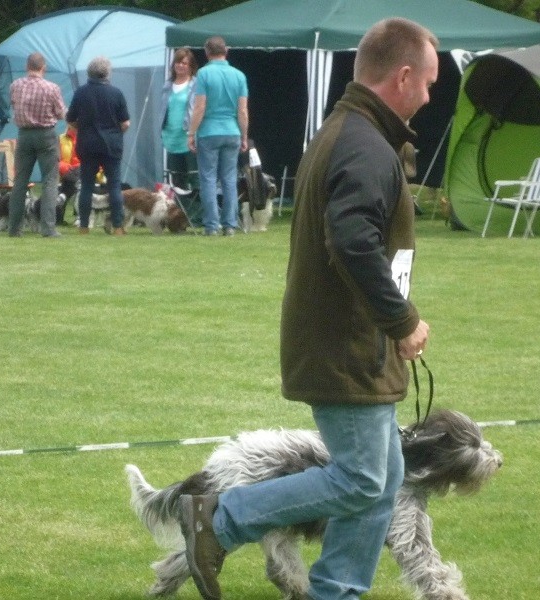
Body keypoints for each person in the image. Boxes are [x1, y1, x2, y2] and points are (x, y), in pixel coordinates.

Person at [178, 17, 436, 600]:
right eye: (427, 82)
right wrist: (402, 319)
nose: (429, 95)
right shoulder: (365, 145)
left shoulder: (349, 131)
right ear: (401, 77)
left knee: (384, 480)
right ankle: (218, 519)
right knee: (364, 479)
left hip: (349, 343)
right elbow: (352, 241)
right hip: (346, 347)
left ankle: (337, 592)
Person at [187, 36, 248, 236]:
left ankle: (212, 226)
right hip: (232, 131)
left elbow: (200, 107)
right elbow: (243, 111)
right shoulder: (239, 75)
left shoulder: (203, 74)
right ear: (226, 50)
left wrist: (191, 133)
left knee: (208, 179)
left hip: (209, 132)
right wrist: (244, 136)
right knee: (230, 179)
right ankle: (230, 224)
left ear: (207, 52)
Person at [66, 56, 130, 235]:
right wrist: (116, 133)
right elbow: (125, 123)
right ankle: (118, 227)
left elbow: (70, 118)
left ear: (89, 73)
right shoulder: (116, 93)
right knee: (114, 186)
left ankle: (84, 226)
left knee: (86, 185)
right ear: (107, 73)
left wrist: (82, 129)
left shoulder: (81, 93)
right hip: (111, 145)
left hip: (87, 144)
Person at [7, 52, 66, 237]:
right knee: (50, 180)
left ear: (27, 66)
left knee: (20, 181)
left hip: (24, 135)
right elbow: (61, 113)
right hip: (46, 135)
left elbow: (13, 105)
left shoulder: (15, 85)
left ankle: (14, 228)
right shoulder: (52, 88)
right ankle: (48, 228)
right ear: (44, 68)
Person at [161, 47, 198, 192]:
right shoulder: (167, 85)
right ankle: (179, 212)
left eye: (184, 63)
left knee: (195, 179)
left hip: (189, 137)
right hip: (171, 137)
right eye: (178, 62)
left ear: (190, 66)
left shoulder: (196, 84)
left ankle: (197, 213)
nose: (180, 65)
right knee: (176, 182)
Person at [58, 125, 80, 203]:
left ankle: (63, 196)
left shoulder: (89, 139)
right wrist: (65, 168)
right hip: (65, 174)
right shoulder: (60, 139)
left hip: (83, 173)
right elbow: (55, 160)